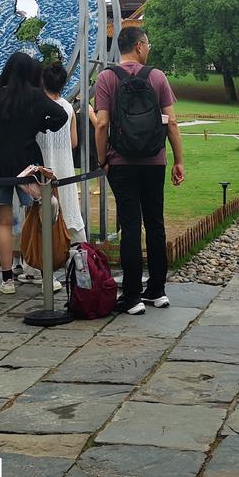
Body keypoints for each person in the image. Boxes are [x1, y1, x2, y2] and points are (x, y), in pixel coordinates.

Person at [94, 26, 185, 315]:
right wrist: (178, 160)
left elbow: (101, 124)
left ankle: (132, 296)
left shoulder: (106, 78)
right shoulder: (157, 77)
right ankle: (157, 290)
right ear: (140, 45)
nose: (149, 49)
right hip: (154, 160)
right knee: (155, 222)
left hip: (121, 161)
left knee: (130, 225)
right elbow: (171, 122)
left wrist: (102, 159)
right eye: (148, 44)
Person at [0, 53, 68, 294]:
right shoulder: (35, 96)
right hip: (28, 165)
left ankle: (7, 279)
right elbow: (61, 115)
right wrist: (41, 124)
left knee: (4, 222)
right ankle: (36, 269)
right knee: (37, 217)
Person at [39, 61, 89, 243]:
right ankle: (76, 255)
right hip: (64, 165)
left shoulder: (36, 106)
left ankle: (34, 260)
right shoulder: (68, 108)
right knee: (69, 209)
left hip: (41, 165)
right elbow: (74, 141)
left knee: (39, 214)